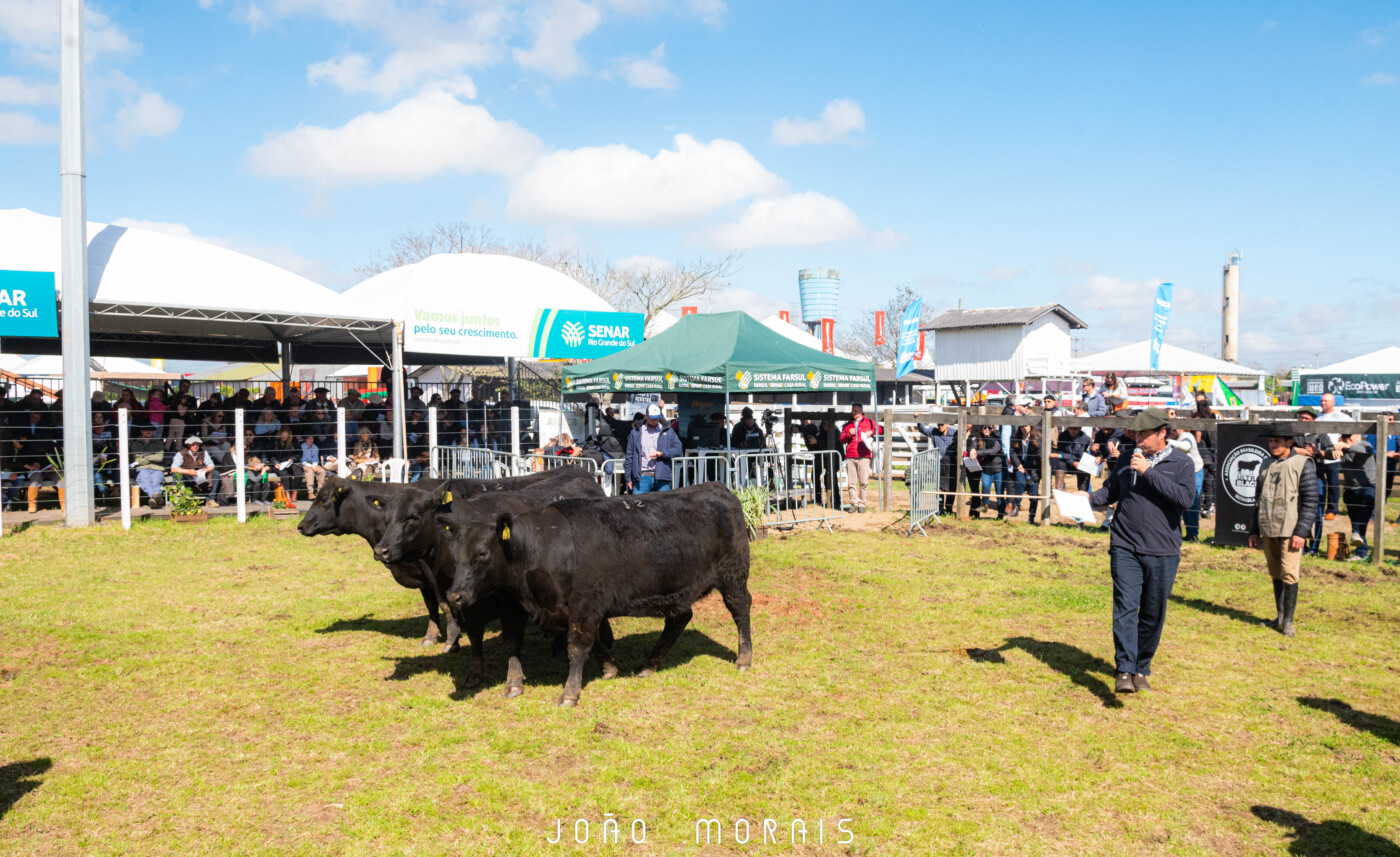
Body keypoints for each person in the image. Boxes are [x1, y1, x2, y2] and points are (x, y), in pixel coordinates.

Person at [1085, 407, 1197, 694]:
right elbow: (1109, 492)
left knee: (1153, 612)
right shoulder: (1125, 458)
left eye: (1144, 434)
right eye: (1136, 434)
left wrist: (1148, 472)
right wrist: (1084, 499)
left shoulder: (1182, 463)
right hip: (1124, 544)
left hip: (1163, 549)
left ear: (1163, 433)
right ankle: (1124, 668)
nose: (1138, 440)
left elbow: (1185, 499)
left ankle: (1141, 667)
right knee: (1125, 606)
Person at [1247, 424, 1318, 637]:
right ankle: (1279, 616)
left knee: (1289, 573)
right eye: (1270, 441)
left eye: (1277, 441)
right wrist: (1254, 530)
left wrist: (1301, 532)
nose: (1273, 445)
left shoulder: (1303, 464)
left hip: (1291, 530)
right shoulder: (1265, 464)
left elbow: (1311, 500)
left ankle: (1288, 621)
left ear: (1289, 442)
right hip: (1269, 527)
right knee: (1275, 572)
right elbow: (1258, 500)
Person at [624, 404, 682, 494]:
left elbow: (678, 449)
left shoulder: (668, 431)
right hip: (641, 477)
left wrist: (662, 453)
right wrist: (628, 478)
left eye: (657, 418)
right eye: (652, 418)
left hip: (662, 477)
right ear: (646, 416)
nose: (655, 421)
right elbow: (629, 455)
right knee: (639, 507)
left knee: (662, 507)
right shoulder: (635, 432)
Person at [1335, 433, 1376, 562]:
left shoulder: (1364, 444)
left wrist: (1346, 446)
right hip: (1350, 489)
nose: (1347, 438)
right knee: (1355, 521)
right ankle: (1361, 553)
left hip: (1368, 487)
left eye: (1350, 436)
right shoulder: (1342, 448)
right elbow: (1329, 454)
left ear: (1357, 435)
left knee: (1362, 518)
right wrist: (1333, 449)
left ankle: (1360, 548)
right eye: (1344, 436)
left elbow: (1366, 451)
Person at [1166, 410, 1205, 541]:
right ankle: (1188, 532)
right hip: (1184, 472)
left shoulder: (1188, 437)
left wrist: (1167, 441)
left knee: (1192, 502)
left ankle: (1193, 533)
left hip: (1196, 471)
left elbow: (1185, 447)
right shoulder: (1176, 437)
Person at [839, 402, 877, 513]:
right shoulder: (848, 425)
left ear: (861, 411)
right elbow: (841, 439)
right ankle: (853, 503)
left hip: (864, 455)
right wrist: (848, 434)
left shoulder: (869, 422)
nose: (854, 412)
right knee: (851, 482)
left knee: (863, 482)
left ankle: (862, 503)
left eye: (856, 410)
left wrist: (872, 431)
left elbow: (880, 429)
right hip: (851, 456)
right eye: (853, 410)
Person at [1315, 393, 1348, 520]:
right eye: (1322, 401)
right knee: (1319, 482)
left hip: (1333, 455)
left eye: (1326, 401)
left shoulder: (1341, 416)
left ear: (1333, 402)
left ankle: (1332, 510)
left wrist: (1343, 444)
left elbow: (1353, 431)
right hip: (1318, 454)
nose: (1323, 403)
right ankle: (1319, 507)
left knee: (1333, 483)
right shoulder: (1318, 416)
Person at [1008, 424, 1043, 522]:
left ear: (1031, 426)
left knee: (1033, 494)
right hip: (1020, 468)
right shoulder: (1016, 438)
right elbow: (1012, 452)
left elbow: (1039, 456)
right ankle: (1017, 506)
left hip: (1034, 470)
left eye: (1026, 426)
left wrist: (1026, 467)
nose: (1024, 428)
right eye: (1021, 426)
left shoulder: (1038, 438)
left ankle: (1031, 517)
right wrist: (1019, 465)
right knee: (1019, 483)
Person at [970, 424, 1006, 519]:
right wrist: (972, 449)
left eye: (989, 428)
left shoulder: (997, 438)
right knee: (985, 491)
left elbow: (994, 450)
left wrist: (978, 452)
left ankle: (1001, 515)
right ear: (981, 429)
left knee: (999, 494)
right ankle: (984, 507)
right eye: (984, 428)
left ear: (992, 429)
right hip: (986, 470)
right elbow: (973, 445)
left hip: (998, 470)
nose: (986, 429)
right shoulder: (979, 438)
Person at [170, 436, 218, 505]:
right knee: (176, 475)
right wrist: (188, 472)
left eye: (197, 444)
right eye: (193, 444)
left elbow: (211, 466)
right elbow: (173, 468)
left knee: (215, 473)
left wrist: (205, 470)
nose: (196, 446)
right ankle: (184, 498)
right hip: (187, 477)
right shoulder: (181, 453)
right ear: (189, 445)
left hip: (200, 476)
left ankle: (210, 499)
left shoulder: (203, 452)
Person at [130, 421, 167, 508]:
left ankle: (152, 499)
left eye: (150, 430)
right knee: (145, 481)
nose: (149, 432)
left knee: (157, 482)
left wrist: (145, 457)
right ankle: (156, 498)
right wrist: (152, 456)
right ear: (141, 431)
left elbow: (160, 458)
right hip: (142, 468)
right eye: (146, 430)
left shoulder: (159, 443)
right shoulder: (135, 444)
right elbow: (137, 460)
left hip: (157, 468)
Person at [1051, 421, 1093, 492]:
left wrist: (1062, 456)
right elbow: (1060, 451)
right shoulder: (1062, 436)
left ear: (1079, 428)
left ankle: (1083, 492)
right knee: (1060, 464)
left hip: (1079, 462)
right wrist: (1072, 462)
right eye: (1070, 428)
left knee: (1085, 467)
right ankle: (1059, 490)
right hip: (1067, 462)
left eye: (1075, 429)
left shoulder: (1085, 438)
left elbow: (1079, 456)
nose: (1072, 431)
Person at [299, 434, 326, 499]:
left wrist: (314, 466)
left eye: (312, 438)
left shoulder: (315, 447)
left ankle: (320, 492)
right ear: (305, 439)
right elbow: (302, 460)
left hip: (313, 464)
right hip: (305, 464)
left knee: (322, 471)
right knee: (309, 471)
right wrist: (311, 466)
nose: (311, 440)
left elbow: (315, 459)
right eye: (309, 438)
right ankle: (310, 492)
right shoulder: (302, 447)